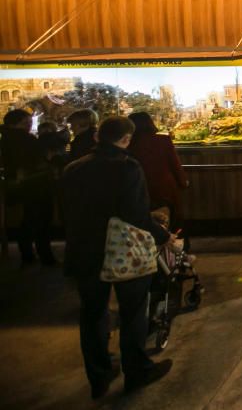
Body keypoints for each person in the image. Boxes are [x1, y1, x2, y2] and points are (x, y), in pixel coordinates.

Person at [62, 117, 174, 398]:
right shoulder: (127, 167)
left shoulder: (73, 168)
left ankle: (98, 377)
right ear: (126, 139)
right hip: (123, 250)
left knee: (92, 314)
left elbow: (65, 211)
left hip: (84, 251)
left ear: (98, 136)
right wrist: (162, 235)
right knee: (133, 311)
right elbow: (136, 215)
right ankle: (137, 371)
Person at [1, 109, 58, 266]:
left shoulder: (5, 138)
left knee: (27, 220)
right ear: (21, 122)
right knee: (41, 222)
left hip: (20, 186)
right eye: (28, 122)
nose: (30, 125)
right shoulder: (25, 140)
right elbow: (35, 162)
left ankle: (27, 254)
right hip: (36, 185)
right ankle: (46, 257)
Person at [126, 112, 187, 225]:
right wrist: (183, 182)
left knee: (145, 222)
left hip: (140, 188)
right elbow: (174, 164)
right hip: (164, 187)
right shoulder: (163, 140)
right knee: (169, 222)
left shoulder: (128, 143)